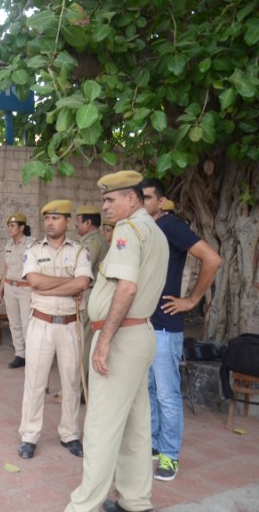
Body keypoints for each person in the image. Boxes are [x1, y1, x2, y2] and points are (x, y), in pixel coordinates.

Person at [66, 171, 169, 512]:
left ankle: (83, 505)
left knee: (101, 425)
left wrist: (105, 341)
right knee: (136, 424)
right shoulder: (154, 229)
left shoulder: (128, 229)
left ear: (132, 198)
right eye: (104, 200)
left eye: (111, 199)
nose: (105, 206)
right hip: (140, 334)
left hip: (121, 337)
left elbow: (126, 288)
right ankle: (135, 500)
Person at [140, 178, 221, 483]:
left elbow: (212, 259)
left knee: (167, 394)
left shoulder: (170, 226)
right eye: (139, 198)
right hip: (143, 325)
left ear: (161, 202)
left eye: (147, 198)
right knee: (147, 391)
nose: (142, 203)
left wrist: (192, 300)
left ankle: (169, 455)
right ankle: (154, 443)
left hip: (164, 326)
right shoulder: (143, 229)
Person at [18, 201, 92, 461]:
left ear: (68, 221)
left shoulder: (79, 251)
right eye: (47, 218)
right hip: (42, 323)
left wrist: (51, 287)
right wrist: (69, 283)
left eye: (56, 218)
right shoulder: (34, 250)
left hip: (70, 324)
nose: (50, 222)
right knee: (35, 381)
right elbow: (34, 281)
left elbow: (83, 283)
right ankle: (29, 435)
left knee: (71, 382)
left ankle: (70, 434)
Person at [75, 205, 110, 384]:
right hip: (93, 293)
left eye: (78, 221)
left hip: (89, 293)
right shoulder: (98, 239)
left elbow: (82, 271)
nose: (75, 225)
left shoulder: (92, 243)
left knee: (84, 341)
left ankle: (80, 386)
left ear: (88, 223)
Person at [0, 213, 34, 369]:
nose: (10, 229)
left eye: (12, 226)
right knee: (14, 323)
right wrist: (0, 291)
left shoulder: (32, 244)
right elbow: (6, 268)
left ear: (21, 228)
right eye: (9, 226)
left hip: (25, 288)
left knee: (27, 324)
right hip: (10, 287)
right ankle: (20, 354)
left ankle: (32, 356)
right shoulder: (8, 245)